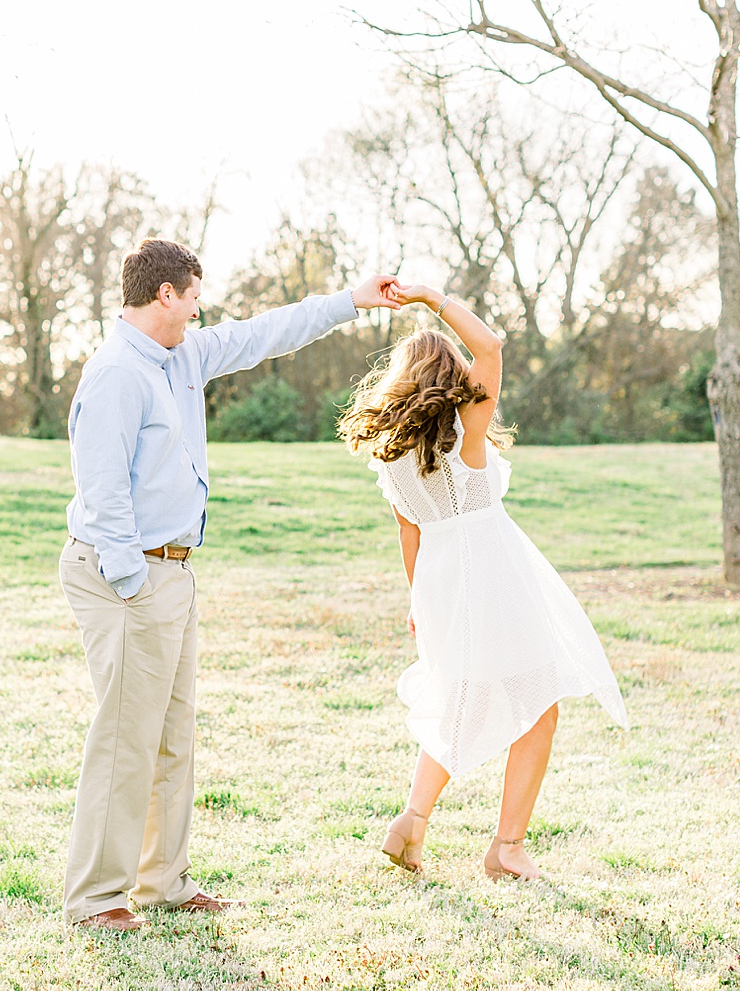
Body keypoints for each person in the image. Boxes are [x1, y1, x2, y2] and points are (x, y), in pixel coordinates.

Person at [60, 237, 400, 931]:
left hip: (174, 572)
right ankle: (96, 899)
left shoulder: (181, 357)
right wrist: (134, 581)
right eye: (192, 297)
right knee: (127, 735)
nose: (197, 310)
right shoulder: (117, 373)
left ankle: (163, 882)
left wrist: (349, 301)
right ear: (165, 294)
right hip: (128, 575)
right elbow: (101, 494)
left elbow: (263, 333)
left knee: (172, 735)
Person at [337, 281, 628, 880]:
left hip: (442, 584)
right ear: (452, 379)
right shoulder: (466, 435)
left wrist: (419, 602)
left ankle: (413, 821)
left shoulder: (395, 460)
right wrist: (429, 299)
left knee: (460, 701)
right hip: (491, 574)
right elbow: (491, 346)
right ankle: (506, 849)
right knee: (539, 703)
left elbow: (409, 537)